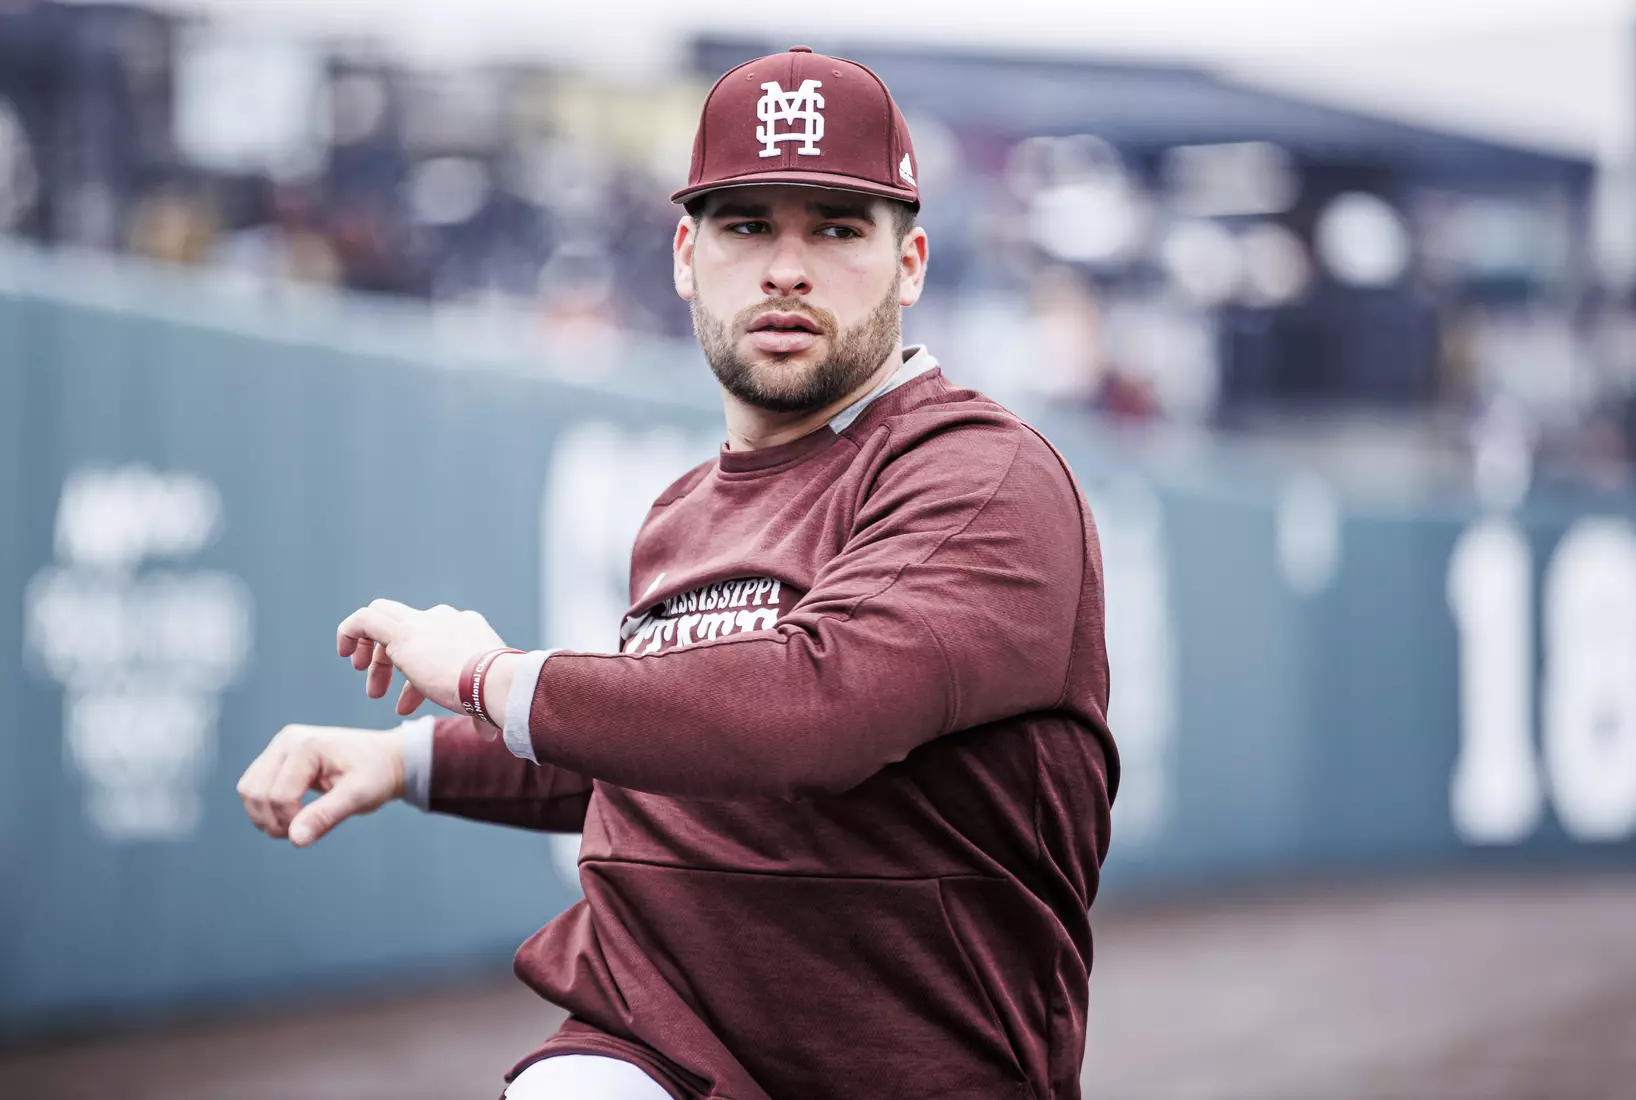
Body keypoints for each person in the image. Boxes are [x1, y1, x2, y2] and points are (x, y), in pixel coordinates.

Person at [237, 45, 1118, 1100]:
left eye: (835, 228)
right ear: (685, 258)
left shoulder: (982, 474)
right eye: (747, 225)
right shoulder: (683, 511)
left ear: (912, 263)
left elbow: (812, 710)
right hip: (650, 1043)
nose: (785, 267)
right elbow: (665, 748)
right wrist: (410, 759)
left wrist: (488, 674)